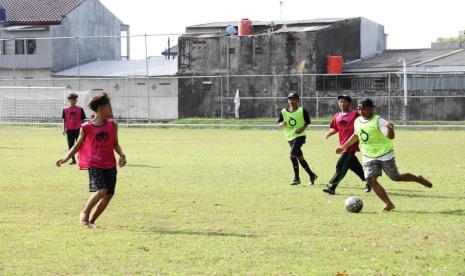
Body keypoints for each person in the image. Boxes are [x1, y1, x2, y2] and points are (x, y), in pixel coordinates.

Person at [336, 98, 432, 211]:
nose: (361, 112)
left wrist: (390, 129)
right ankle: (388, 204)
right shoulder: (357, 121)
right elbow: (356, 135)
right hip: (368, 155)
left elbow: (390, 137)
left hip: (385, 154)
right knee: (371, 180)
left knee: (395, 177)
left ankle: (418, 179)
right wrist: (344, 146)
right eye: (359, 109)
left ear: (371, 109)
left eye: (365, 109)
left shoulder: (379, 121)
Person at [56, 92, 126, 228]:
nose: (111, 109)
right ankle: (84, 214)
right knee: (102, 191)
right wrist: (66, 158)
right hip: (95, 163)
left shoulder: (113, 125)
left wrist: (122, 155)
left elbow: (115, 143)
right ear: (100, 109)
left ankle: (92, 220)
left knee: (109, 194)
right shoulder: (86, 127)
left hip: (110, 164)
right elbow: (77, 146)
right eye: (108, 107)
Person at [323, 95, 369, 195]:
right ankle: (369, 181)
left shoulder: (355, 114)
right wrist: (329, 133)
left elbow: (364, 121)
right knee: (354, 166)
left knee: (341, 165)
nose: (342, 104)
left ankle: (332, 187)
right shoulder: (337, 115)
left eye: (344, 102)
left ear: (349, 103)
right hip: (343, 145)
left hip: (351, 145)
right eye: (340, 102)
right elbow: (336, 128)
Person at [278, 92, 318, 186]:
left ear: (298, 100)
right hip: (289, 137)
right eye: (289, 99)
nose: (291, 101)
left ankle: (297, 178)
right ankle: (312, 175)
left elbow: (307, 122)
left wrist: (302, 128)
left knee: (292, 156)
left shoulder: (302, 110)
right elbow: (279, 123)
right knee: (299, 157)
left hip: (300, 136)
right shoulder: (284, 111)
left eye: (293, 99)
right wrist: (281, 124)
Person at [62, 93, 86, 164]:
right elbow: (65, 120)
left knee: (80, 145)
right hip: (69, 130)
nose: (73, 101)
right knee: (70, 145)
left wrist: (84, 129)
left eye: (75, 100)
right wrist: (64, 129)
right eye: (72, 100)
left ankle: (81, 159)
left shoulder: (80, 109)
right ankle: (73, 160)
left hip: (79, 130)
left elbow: (83, 120)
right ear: (69, 100)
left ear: (76, 100)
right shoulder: (65, 110)